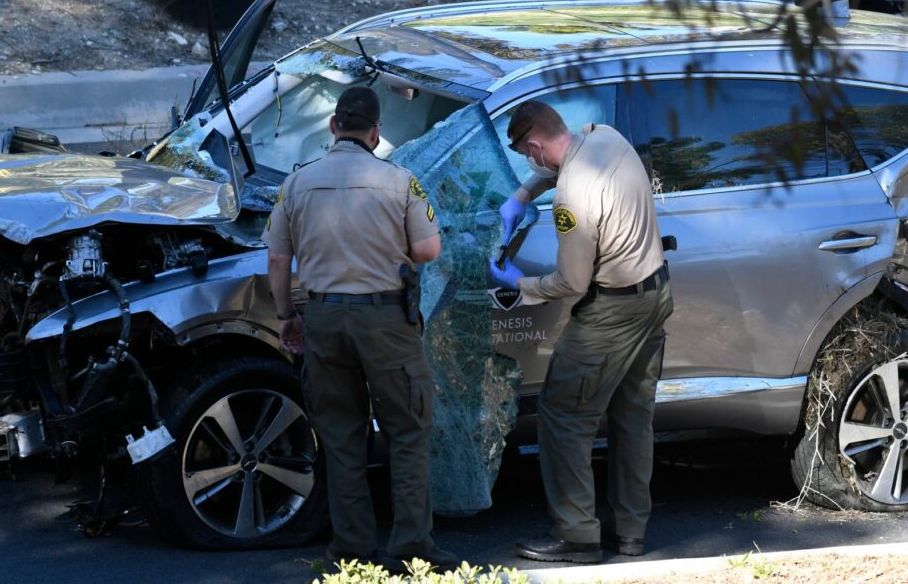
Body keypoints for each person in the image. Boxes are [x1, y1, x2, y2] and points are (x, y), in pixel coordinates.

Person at [264, 87, 457, 572]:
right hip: (386, 320)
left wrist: (287, 313)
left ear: (332, 127)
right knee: (408, 430)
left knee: (340, 434)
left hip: (324, 319)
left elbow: (277, 257)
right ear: (375, 133)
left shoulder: (297, 184)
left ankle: (351, 546)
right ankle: (412, 545)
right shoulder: (399, 181)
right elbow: (430, 249)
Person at [491, 101, 674, 564]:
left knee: (563, 414)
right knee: (633, 417)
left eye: (526, 156)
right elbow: (561, 163)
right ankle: (630, 531)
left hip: (610, 314)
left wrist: (517, 284)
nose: (529, 163)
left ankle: (577, 535)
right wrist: (525, 193)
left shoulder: (572, 196)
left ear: (533, 146)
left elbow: (571, 282)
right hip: (655, 297)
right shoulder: (605, 138)